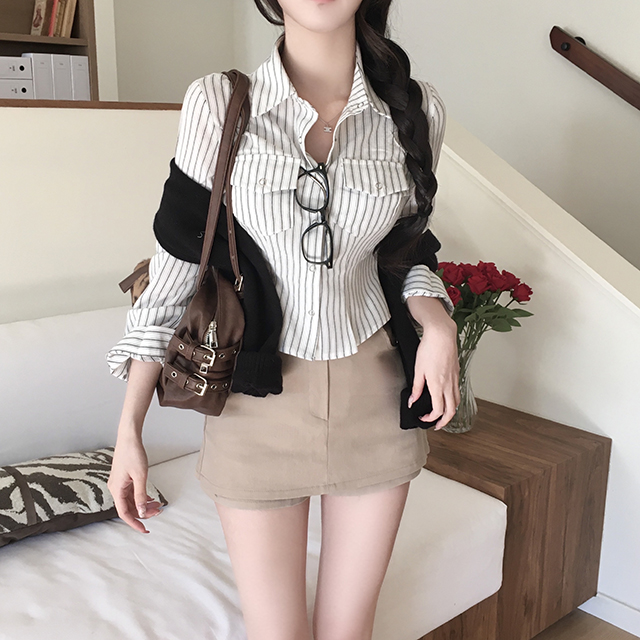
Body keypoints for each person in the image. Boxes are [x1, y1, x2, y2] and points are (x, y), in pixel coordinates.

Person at [106, 1, 460, 638]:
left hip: (377, 400)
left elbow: (408, 255)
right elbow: (175, 271)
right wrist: (130, 428)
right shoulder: (219, 105)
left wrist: (438, 325)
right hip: (255, 409)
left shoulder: (417, 110)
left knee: (350, 630)